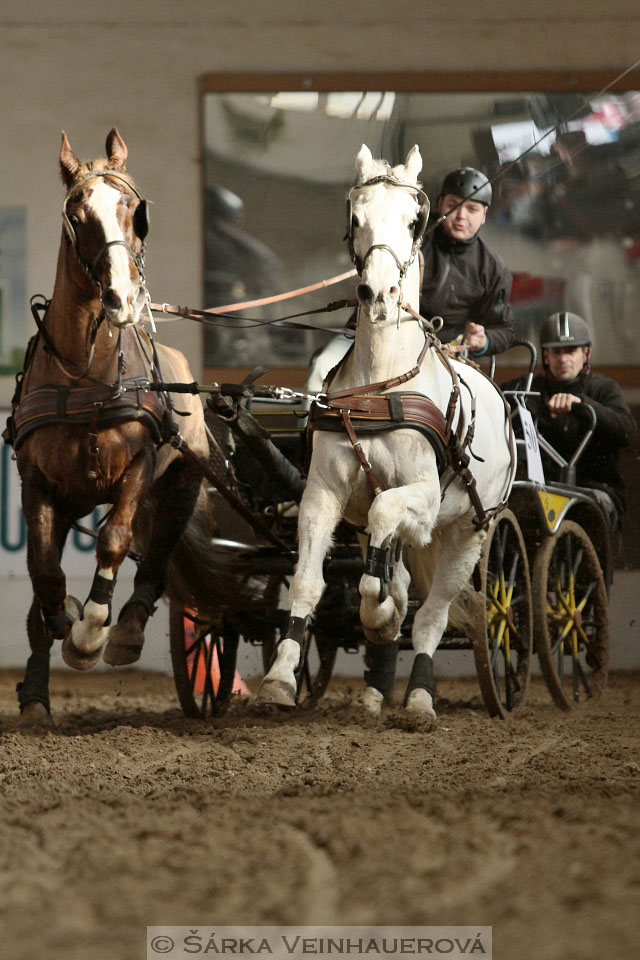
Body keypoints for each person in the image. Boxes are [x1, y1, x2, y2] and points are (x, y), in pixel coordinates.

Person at [503, 311, 637, 519]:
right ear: (546, 356)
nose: (563, 359)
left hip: (595, 488)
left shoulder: (603, 389)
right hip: (540, 489)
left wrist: (584, 405)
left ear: (586, 353)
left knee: (587, 512)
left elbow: (627, 433)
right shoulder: (529, 388)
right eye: (556, 352)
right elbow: (495, 398)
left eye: (570, 351)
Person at [420, 167, 515, 356]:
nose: (461, 216)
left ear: (484, 215)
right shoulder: (412, 239)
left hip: (447, 355)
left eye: (472, 209)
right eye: (453, 205)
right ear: (439, 204)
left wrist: (483, 339)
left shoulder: (492, 268)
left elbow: (505, 330)